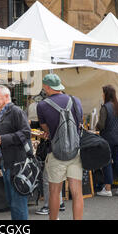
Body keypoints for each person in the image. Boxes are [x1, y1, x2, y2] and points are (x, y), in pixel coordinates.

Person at [37, 74, 84, 220]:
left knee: (54, 192)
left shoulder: (42, 105)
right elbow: (80, 123)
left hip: (55, 152)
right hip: (75, 152)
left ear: (47, 87)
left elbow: (46, 129)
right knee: (77, 193)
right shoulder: (75, 100)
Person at [0, 85, 31, 220]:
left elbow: (26, 133)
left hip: (17, 163)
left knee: (18, 203)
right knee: (12, 202)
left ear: (6, 97)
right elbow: (3, 132)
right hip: (6, 163)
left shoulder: (16, 111)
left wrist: (3, 139)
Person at [95, 85, 118, 197]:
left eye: (103, 93)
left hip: (108, 138)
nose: (102, 95)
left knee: (107, 162)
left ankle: (108, 189)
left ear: (106, 94)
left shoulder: (105, 107)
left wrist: (96, 127)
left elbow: (101, 124)